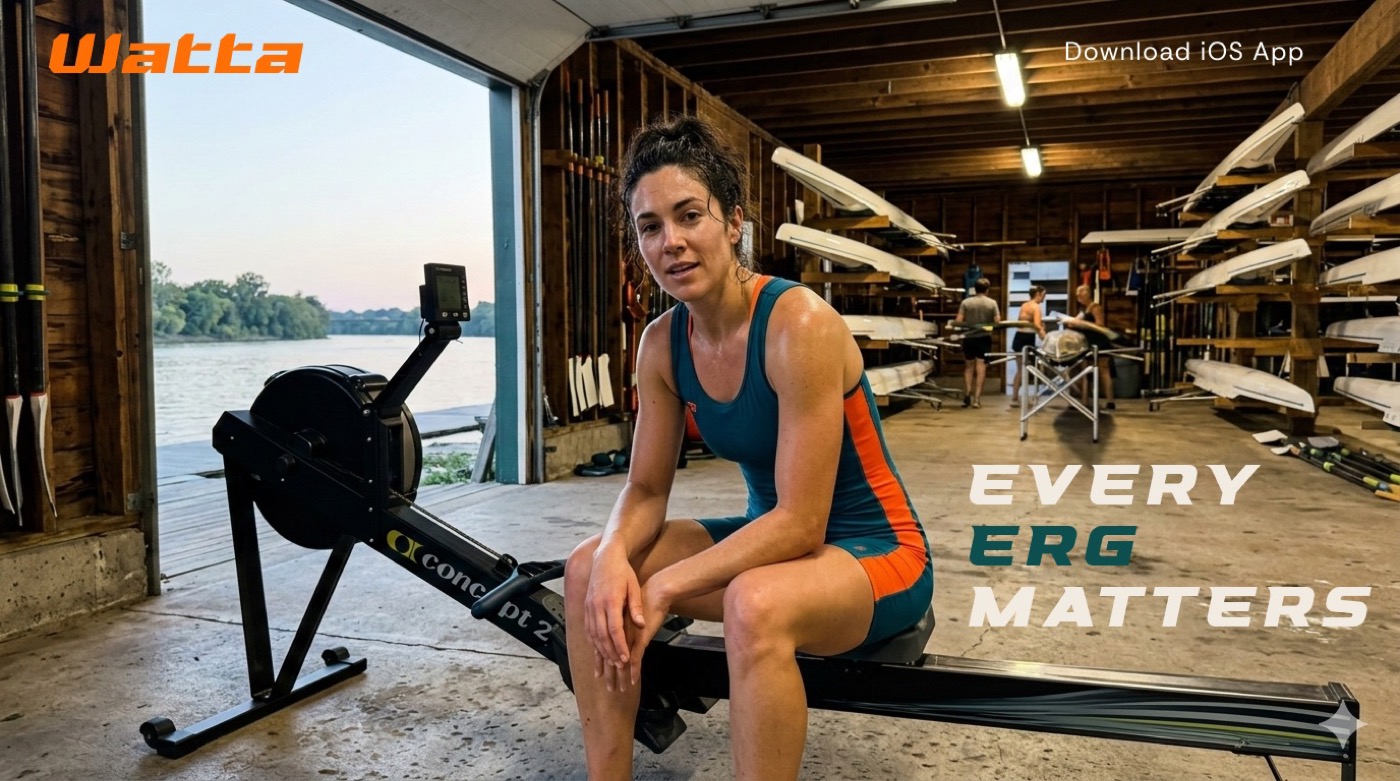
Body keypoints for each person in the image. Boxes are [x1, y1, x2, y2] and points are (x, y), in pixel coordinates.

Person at [563, 115, 933, 781]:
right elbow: (645, 488)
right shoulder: (661, 345)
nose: (672, 242)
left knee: (754, 602)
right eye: (650, 227)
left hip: (877, 553)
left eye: (689, 215)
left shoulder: (799, 324)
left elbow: (801, 521)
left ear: (734, 222)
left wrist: (666, 584)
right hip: (774, 546)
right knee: (589, 570)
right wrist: (616, 554)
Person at [1069, 283, 1116, 410]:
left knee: (1104, 371)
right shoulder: (1083, 310)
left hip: (1100, 342)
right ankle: (1084, 401)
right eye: (1077, 294)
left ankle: (1110, 401)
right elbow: (1072, 324)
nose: (1078, 296)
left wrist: (1084, 324)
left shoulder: (1095, 307)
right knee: (1086, 372)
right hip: (1087, 343)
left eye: (1081, 293)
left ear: (1088, 294)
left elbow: (1100, 325)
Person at [954, 277, 999, 408]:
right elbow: (997, 322)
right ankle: (977, 399)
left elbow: (958, 321)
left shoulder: (966, 302)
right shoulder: (992, 303)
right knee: (981, 367)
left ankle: (967, 392)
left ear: (975, 289)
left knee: (969, 367)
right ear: (987, 289)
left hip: (969, 338)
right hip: (984, 338)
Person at [1008, 285, 1048, 405]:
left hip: (1018, 338)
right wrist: (1046, 339)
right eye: (1044, 295)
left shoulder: (1024, 305)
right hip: (1026, 338)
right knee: (1026, 370)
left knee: (1021, 370)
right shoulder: (1036, 307)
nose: (1044, 298)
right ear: (1038, 294)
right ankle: (1027, 398)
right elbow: (1037, 325)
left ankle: (1015, 397)